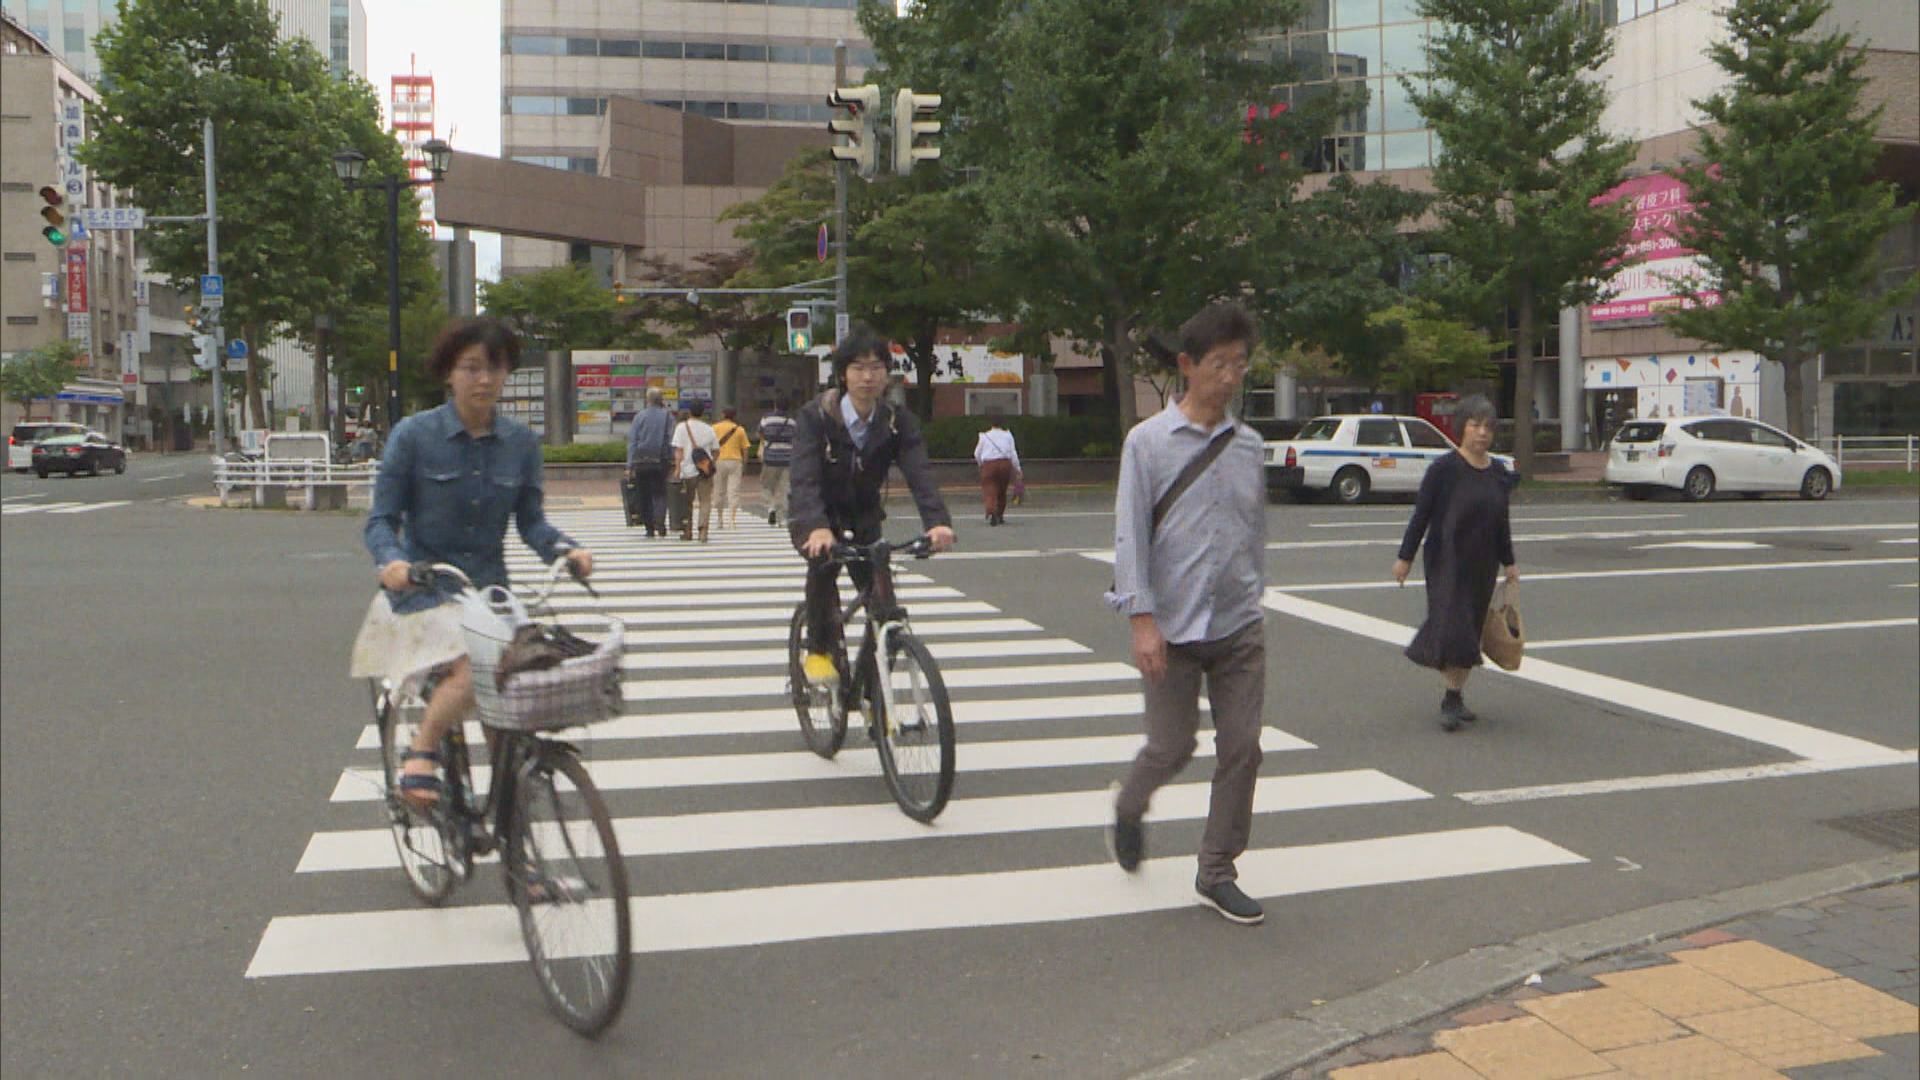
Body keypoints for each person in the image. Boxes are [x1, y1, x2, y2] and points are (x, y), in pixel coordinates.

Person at [351, 317, 593, 806]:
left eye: (494, 368)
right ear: (449, 374)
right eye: (471, 368)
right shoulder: (414, 436)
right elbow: (380, 520)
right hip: (424, 594)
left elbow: (531, 523)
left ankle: (517, 850)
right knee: (475, 665)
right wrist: (393, 563)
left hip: (488, 594)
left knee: (516, 709)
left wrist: (566, 549)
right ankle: (422, 752)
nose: (484, 379)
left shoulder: (521, 445)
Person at [1104, 302, 1268, 927]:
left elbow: (1253, 530)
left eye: (1240, 365)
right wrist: (1141, 620)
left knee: (1244, 748)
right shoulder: (1147, 444)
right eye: (1219, 364)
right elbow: (1130, 539)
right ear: (1187, 366)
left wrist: (1255, 593)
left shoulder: (1248, 445)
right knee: (1172, 746)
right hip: (1171, 626)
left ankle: (1217, 868)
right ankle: (1129, 804)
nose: (1230, 377)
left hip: (1238, 623)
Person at [790, 326, 956, 685]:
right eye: (858, 367)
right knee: (823, 566)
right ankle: (818, 647)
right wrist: (817, 525)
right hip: (817, 516)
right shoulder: (816, 417)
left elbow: (920, 473)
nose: (868, 377)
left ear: (887, 373)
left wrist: (937, 522)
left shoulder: (896, 422)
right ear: (843, 374)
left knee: (884, 606)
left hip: (864, 518)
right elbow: (804, 478)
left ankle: (869, 691)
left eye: (877, 367)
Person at [1391, 394, 1519, 732]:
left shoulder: (1497, 473)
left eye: (1488, 427)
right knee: (1455, 628)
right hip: (1446, 561)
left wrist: (1509, 563)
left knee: (1470, 632)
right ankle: (1450, 698)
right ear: (1461, 427)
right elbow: (1422, 516)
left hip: (1483, 565)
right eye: (1475, 425)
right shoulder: (1444, 470)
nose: (1481, 433)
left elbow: (1501, 522)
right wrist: (1405, 557)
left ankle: (1455, 695)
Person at [625, 387, 674, 537]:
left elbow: (633, 441)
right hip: (660, 460)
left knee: (644, 494)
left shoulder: (639, 416)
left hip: (641, 461)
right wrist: (673, 460)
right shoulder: (668, 416)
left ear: (648, 400)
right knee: (660, 493)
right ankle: (660, 522)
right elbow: (671, 439)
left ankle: (649, 528)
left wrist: (629, 465)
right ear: (661, 400)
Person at [671, 399, 719, 542]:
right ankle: (703, 531)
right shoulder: (709, 429)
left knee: (687, 502)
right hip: (704, 472)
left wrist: (677, 468)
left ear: (690, 412)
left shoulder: (681, 427)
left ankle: (688, 531)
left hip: (687, 471)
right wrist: (710, 463)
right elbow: (716, 450)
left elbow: (678, 450)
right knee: (705, 501)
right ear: (703, 413)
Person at [973, 414, 1022, 526]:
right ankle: (1000, 514)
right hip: (1005, 464)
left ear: (991, 424)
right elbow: (1013, 453)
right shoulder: (1008, 435)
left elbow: (977, 453)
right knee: (1002, 490)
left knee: (990, 489)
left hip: (989, 464)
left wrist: (981, 464)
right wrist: (1018, 468)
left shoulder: (984, 436)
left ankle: (992, 511)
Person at [709, 406, 752, 530]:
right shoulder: (740, 430)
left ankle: (719, 519)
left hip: (719, 461)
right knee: (733, 491)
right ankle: (732, 520)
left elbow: (711, 446)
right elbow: (745, 449)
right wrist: (745, 464)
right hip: (735, 461)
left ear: (723, 415)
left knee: (718, 490)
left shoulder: (714, 428)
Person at [757, 397, 796, 526]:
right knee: (784, 488)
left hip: (770, 458)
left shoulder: (767, 419)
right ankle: (783, 517)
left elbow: (760, 433)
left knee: (767, 485)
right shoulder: (792, 422)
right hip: (787, 458)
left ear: (775, 405)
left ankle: (771, 507)